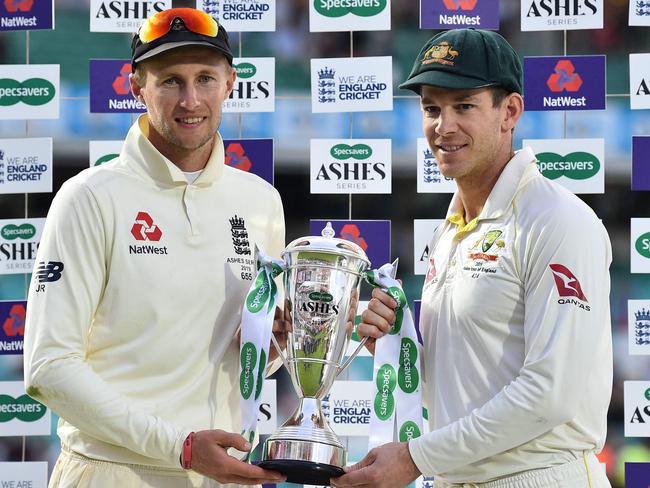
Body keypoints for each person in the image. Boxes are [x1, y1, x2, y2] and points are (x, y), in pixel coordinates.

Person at [332, 28, 613, 488]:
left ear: (511, 112)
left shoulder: (559, 220)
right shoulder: (452, 230)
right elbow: (461, 390)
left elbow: (550, 394)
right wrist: (394, 342)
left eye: (464, 106)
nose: (444, 126)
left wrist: (416, 458)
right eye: (432, 108)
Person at [23, 8, 287, 488]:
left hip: (217, 474)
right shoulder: (89, 196)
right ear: (136, 87)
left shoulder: (260, 201)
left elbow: (228, 358)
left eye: (205, 78)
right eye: (169, 81)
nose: (190, 100)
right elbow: (48, 367)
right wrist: (180, 446)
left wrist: (273, 348)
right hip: (110, 472)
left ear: (230, 82)